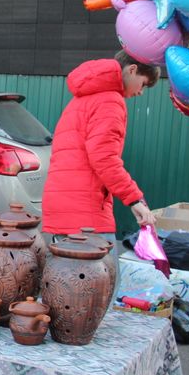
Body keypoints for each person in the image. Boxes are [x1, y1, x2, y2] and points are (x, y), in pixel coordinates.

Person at [42, 51, 160, 285]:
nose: (140, 92)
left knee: (63, 289)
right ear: (132, 70)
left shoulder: (83, 98)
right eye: (144, 84)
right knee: (103, 289)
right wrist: (135, 200)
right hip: (86, 211)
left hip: (62, 203)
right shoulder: (110, 100)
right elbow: (104, 157)